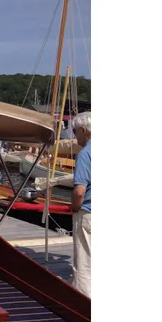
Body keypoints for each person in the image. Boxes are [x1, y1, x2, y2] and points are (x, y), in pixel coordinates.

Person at [70, 111, 91, 297]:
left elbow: (79, 191)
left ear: (84, 130)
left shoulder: (86, 154)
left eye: (75, 131)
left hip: (89, 214)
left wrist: (75, 207)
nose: (74, 135)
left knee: (84, 263)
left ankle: (84, 304)